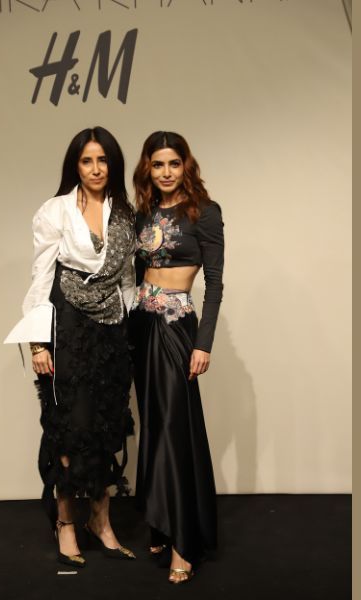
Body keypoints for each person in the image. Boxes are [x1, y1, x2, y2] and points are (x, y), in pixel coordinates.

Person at [4, 126, 137, 568]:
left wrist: (132, 330)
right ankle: (65, 522)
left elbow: (127, 280)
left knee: (106, 425)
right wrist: (38, 344)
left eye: (102, 160)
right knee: (70, 426)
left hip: (111, 333)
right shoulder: (55, 210)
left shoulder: (125, 214)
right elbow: (41, 276)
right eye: (86, 161)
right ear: (75, 166)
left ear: (113, 164)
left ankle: (101, 519)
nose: (96, 169)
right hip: (69, 328)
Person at [129, 131, 224, 584]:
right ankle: (160, 522)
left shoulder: (204, 212)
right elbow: (134, 274)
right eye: (158, 164)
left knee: (174, 428)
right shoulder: (143, 213)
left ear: (186, 165)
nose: (166, 172)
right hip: (141, 326)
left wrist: (203, 343)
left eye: (173, 163)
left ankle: (184, 541)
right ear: (147, 168)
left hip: (175, 326)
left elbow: (215, 284)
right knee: (153, 424)